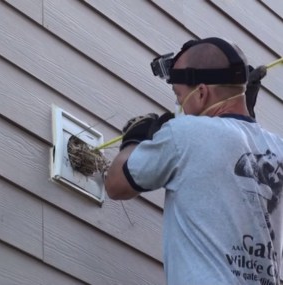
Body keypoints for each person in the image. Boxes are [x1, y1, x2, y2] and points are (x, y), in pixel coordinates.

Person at [105, 37, 283, 285]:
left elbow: (115, 185)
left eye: (180, 96)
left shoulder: (185, 133)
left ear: (201, 92)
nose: (179, 106)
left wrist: (134, 138)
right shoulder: (278, 150)